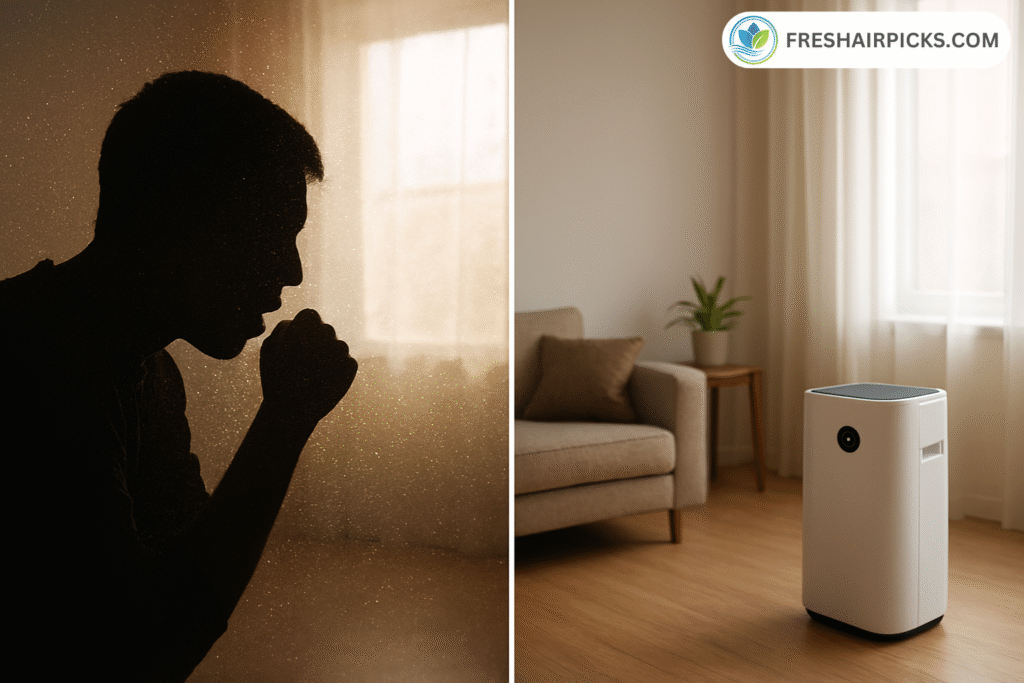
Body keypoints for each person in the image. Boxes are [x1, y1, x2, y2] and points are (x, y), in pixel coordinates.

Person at [0, 71, 358, 681]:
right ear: (183, 221)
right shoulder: (33, 361)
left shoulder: (150, 371)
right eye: (272, 233)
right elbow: (141, 650)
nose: (293, 270)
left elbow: (182, 573)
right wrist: (284, 420)